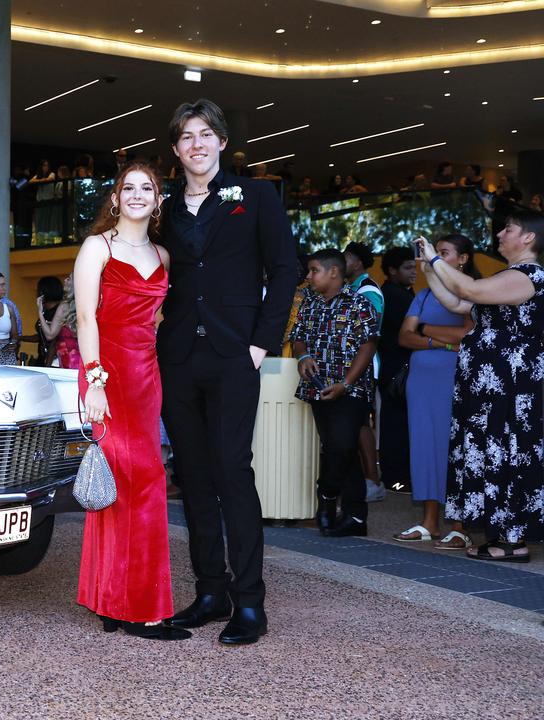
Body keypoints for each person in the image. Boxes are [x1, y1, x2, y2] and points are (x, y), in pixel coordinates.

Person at [157, 99, 299, 646]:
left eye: (206, 133)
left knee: (233, 472)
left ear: (221, 142)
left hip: (236, 353)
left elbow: (283, 270)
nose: (196, 143)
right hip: (177, 356)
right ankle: (210, 591)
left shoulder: (257, 196)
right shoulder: (164, 208)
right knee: (192, 475)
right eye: (186, 136)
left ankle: (249, 601)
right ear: (176, 149)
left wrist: (263, 342)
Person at [74, 161, 182, 641]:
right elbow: (84, 318)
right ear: (115, 198)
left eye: (147, 188)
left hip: (146, 377)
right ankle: (132, 607)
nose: (137, 194)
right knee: (118, 487)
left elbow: (156, 320)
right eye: (128, 188)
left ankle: (119, 602)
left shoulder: (163, 253)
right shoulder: (98, 247)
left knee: (147, 485)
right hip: (106, 374)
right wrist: (95, 381)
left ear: (158, 200)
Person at [418, 210, 544, 562]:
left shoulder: (529, 276)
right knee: (492, 453)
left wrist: (433, 257)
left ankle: (511, 541)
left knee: (505, 451)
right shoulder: (507, 276)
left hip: (509, 388)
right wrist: (430, 269)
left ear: (528, 238)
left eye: (509, 229)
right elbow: (459, 302)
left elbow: (468, 288)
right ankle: (503, 537)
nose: (501, 234)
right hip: (490, 388)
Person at [392, 235, 477, 548]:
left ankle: (459, 524)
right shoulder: (425, 295)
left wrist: (425, 331)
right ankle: (430, 522)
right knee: (424, 445)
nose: (432, 257)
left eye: (442, 253)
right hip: (421, 383)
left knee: (454, 448)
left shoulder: (473, 292)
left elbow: (467, 333)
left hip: (456, 380)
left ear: (463, 259)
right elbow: (404, 336)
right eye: (433, 251)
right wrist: (442, 341)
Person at [289, 250, 379, 538]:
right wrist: (303, 358)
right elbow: (298, 337)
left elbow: (368, 346)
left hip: (351, 390)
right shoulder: (310, 303)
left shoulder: (359, 303)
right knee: (343, 448)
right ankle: (355, 516)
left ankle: (326, 496)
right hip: (317, 386)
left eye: (314, 270)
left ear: (333, 273)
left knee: (339, 446)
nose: (309, 276)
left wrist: (346, 383)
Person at [343, 241, 387, 503]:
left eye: (346, 257)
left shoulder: (368, 289)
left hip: (365, 364)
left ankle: (373, 480)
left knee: (361, 423)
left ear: (358, 261)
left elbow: (370, 329)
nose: (342, 262)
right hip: (351, 364)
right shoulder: (352, 287)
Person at [377, 246, 417, 493]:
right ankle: (396, 479)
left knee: (397, 424)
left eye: (414, 267)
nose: (414, 272)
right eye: (407, 268)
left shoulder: (399, 292)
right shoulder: (395, 295)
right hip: (396, 370)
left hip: (394, 369)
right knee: (397, 425)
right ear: (392, 270)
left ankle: (396, 477)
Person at [32, 276, 65, 365]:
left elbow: (52, 339)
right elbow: (41, 335)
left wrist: (48, 364)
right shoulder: (45, 310)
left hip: (55, 360)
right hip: (42, 356)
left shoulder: (60, 309)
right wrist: (21, 338)